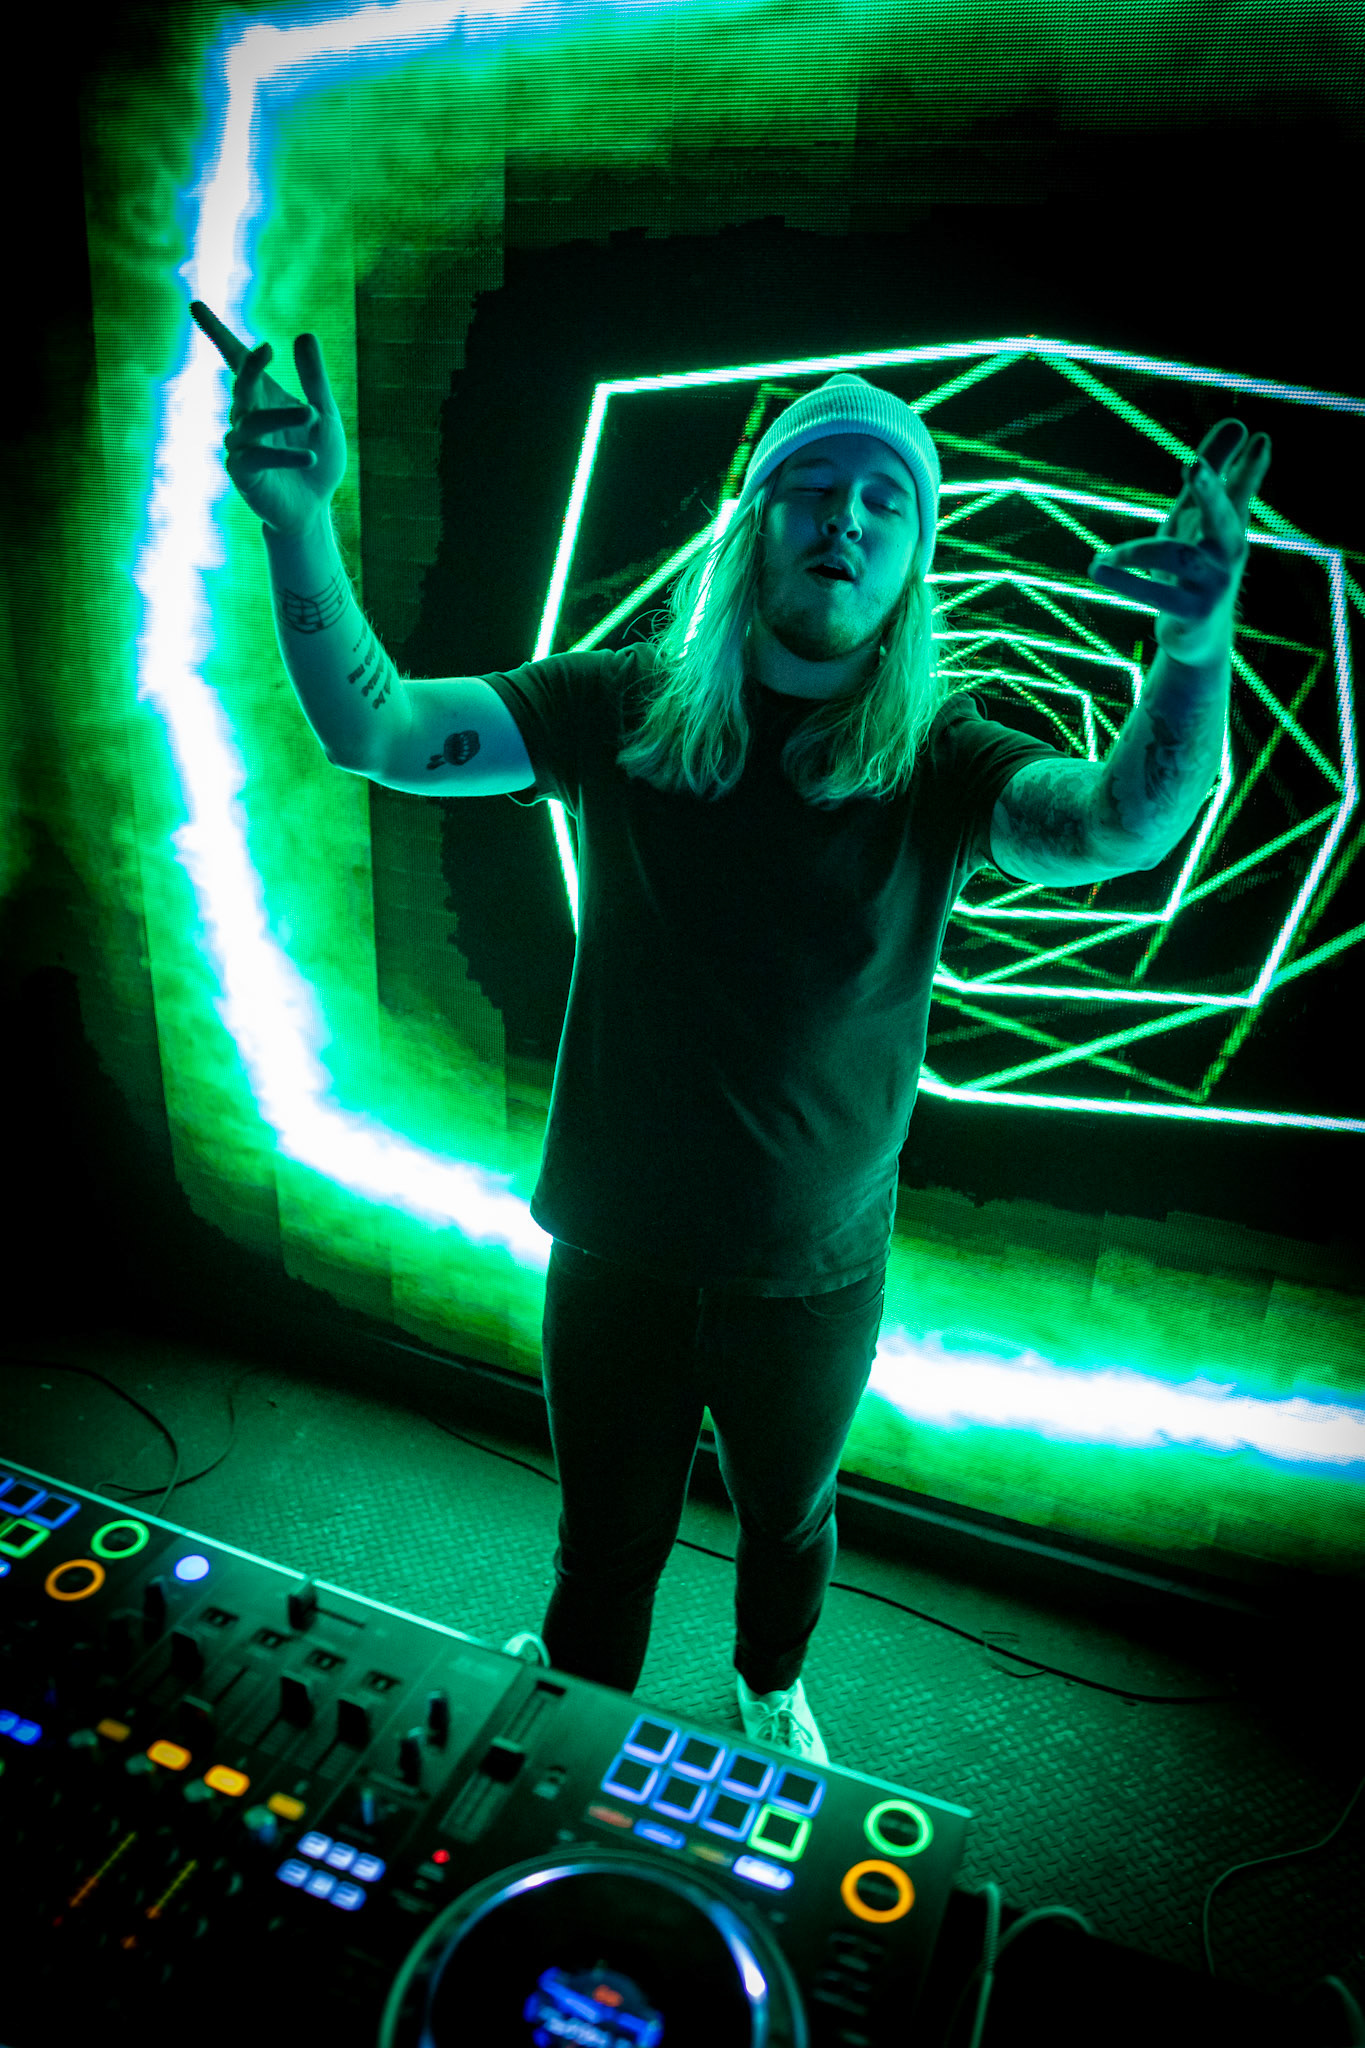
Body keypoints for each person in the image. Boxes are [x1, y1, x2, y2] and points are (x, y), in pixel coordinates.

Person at [189, 299, 1269, 1758]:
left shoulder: (944, 757)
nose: (846, 518)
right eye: (812, 487)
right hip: (616, 1247)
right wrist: (298, 524)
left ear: (914, 560)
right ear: (755, 523)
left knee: (788, 1522)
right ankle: (578, 1717)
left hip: (810, 1270)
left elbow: (1118, 826)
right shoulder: (622, 705)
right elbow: (377, 731)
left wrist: (1192, 650)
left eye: (886, 500)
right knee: (604, 1541)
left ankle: (767, 1686)